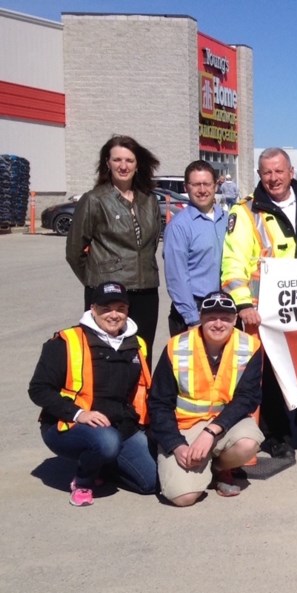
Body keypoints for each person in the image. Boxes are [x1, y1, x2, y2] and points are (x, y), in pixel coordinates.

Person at [221, 147, 297, 460]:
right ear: (259, 174)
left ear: (291, 171)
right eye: (266, 172)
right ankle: (275, 435)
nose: (273, 178)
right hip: (263, 311)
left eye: (279, 171)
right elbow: (232, 263)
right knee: (269, 376)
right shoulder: (245, 212)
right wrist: (242, 305)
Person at [28, 281, 156, 506]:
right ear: (93, 309)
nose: (113, 315)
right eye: (106, 308)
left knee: (151, 483)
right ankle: (83, 481)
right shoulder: (66, 341)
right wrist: (79, 414)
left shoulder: (137, 345)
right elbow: (38, 389)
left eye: (120, 308)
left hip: (120, 425)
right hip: (67, 424)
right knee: (106, 442)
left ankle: (102, 465)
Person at [148, 292, 264, 506]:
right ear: (201, 318)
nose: (218, 323)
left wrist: (211, 432)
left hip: (224, 425)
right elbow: (158, 403)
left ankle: (219, 468)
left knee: (248, 443)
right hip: (184, 427)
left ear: (235, 320)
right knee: (183, 498)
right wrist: (176, 445)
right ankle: (199, 468)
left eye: (225, 318)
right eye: (211, 317)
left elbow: (248, 398)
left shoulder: (250, 346)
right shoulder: (177, 346)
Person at [66, 135, 162, 365]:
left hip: (146, 291)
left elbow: (150, 245)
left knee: (141, 353)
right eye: (117, 159)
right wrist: (97, 282)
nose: (123, 165)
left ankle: (141, 401)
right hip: (109, 293)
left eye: (129, 160)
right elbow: (74, 251)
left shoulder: (149, 200)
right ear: (107, 163)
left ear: (137, 164)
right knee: (106, 357)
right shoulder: (94, 200)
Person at [162, 160, 227, 336]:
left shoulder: (228, 220)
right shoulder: (179, 226)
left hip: (225, 309)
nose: (202, 190)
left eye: (207, 184)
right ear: (186, 187)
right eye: (196, 184)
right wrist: (192, 318)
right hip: (193, 311)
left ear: (215, 186)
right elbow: (176, 277)